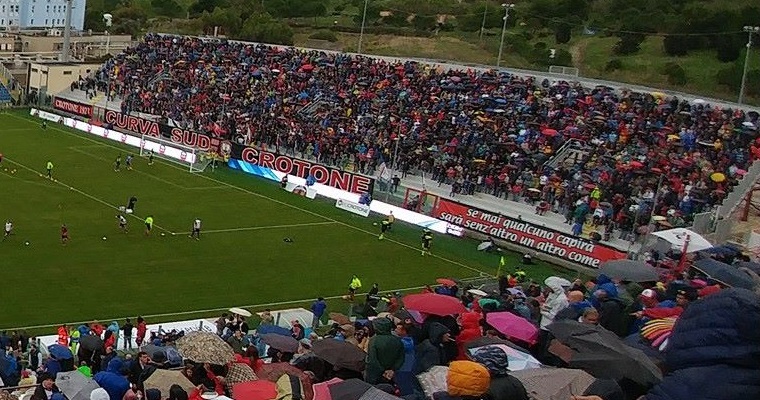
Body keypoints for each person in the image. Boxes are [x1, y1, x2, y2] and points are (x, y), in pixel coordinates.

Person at [365, 318, 405, 384]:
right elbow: (401, 358)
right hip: (390, 374)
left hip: (375, 375)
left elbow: (372, 360)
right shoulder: (397, 340)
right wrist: (392, 370)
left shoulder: (374, 341)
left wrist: (383, 371)